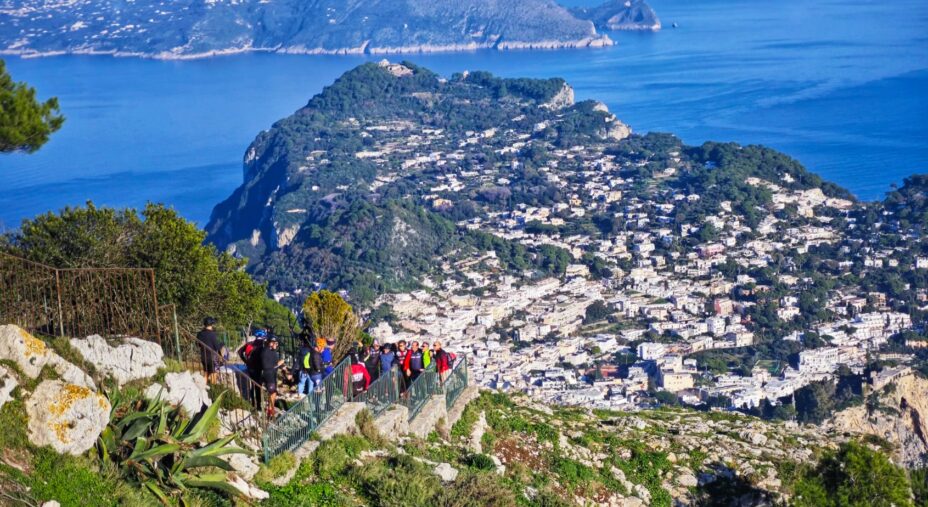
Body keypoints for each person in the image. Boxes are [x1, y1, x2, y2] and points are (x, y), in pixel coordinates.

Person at [260, 337, 285, 417]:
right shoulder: (265, 352)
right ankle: (270, 410)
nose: (276, 345)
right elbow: (266, 366)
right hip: (268, 375)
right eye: (275, 343)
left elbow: (276, 363)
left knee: (273, 392)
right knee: (272, 392)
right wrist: (278, 364)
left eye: (277, 343)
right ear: (270, 343)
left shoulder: (273, 352)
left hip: (273, 374)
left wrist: (283, 368)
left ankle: (270, 408)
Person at [197, 317, 222, 384]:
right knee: (213, 374)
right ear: (212, 324)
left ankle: (204, 388)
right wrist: (222, 344)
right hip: (211, 358)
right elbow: (217, 347)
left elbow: (199, 345)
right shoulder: (212, 334)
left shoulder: (199, 334)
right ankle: (213, 390)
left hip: (203, 357)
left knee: (206, 373)